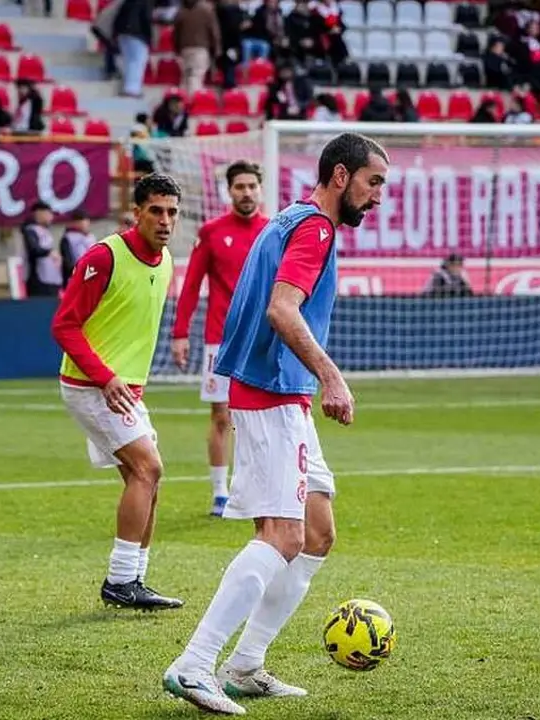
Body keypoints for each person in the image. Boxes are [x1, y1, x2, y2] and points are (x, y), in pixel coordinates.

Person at [162, 132, 388, 715]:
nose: (378, 197)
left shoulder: (290, 216)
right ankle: (194, 663)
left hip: (282, 393)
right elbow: (281, 309)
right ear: (342, 177)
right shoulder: (314, 228)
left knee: (317, 533)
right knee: (283, 536)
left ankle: (245, 664)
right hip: (269, 396)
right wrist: (332, 376)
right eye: (373, 183)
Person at [51, 173, 185, 611]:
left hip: (124, 391)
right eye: (156, 211)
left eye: (172, 213)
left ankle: (135, 579)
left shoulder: (165, 262)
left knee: (147, 478)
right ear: (137, 212)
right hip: (91, 386)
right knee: (149, 468)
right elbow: (64, 325)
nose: (165, 221)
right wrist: (106, 377)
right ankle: (120, 579)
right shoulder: (104, 257)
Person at [170, 161, 269, 518]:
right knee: (221, 416)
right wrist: (180, 333)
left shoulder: (272, 231)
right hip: (221, 341)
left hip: (262, 339)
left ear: (260, 189)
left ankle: (254, 487)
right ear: (229, 191)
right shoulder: (212, 231)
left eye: (251, 186)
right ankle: (219, 491)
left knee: (259, 416)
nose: (246, 192)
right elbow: (192, 284)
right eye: (239, 186)